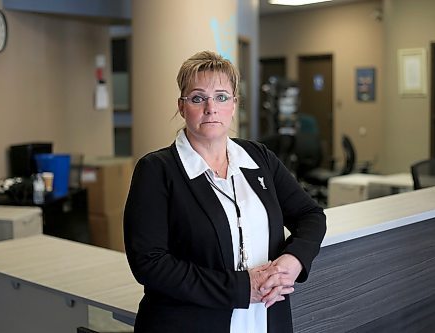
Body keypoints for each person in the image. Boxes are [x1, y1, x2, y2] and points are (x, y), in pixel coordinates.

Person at [123, 50, 326, 333]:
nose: (210, 108)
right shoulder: (157, 170)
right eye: (197, 98)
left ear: (234, 104)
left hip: (264, 319)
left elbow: (310, 215)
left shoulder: (259, 158)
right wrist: (242, 288)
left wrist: (293, 261)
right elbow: (150, 263)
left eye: (221, 96)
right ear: (182, 107)